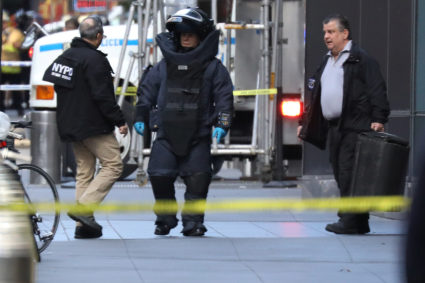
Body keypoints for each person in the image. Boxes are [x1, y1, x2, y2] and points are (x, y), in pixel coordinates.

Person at [133, 8, 233, 237]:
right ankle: (165, 219)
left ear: (201, 35)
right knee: (158, 174)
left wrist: (222, 124)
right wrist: (140, 116)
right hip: (166, 134)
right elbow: (146, 92)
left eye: (191, 32)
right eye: (182, 33)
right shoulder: (163, 66)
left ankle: (193, 222)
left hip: (198, 135)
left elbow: (225, 99)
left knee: (198, 179)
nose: (186, 37)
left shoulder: (213, 67)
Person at [297, 14, 390, 234]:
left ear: (344, 34)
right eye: (324, 32)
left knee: (348, 172)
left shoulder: (360, 59)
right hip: (334, 127)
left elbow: (377, 89)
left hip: (355, 125)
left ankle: (348, 220)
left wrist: (378, 118)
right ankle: (360, 221)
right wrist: (304, 121)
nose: (326, 36)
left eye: (331, 32)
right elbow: (316, 91)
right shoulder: (327, 60)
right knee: (341, 171)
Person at [43, 15, 128, 239]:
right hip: (92, 126)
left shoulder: (65, 57)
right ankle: (83, 210)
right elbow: (103, 96)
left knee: (85, 171)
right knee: (113, 165)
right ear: (98, 36)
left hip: (69, 124)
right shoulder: (95, 60)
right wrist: (119, 120)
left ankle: (84, 228)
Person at [1, 11, 24, 115]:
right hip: (2, 67)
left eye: (4, 22)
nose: (3, 24)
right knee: (1, 91)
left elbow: (19, 46)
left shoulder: (16, 33)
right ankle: (1, 110)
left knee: (16, 91)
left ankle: (19, 109)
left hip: (14, 67)